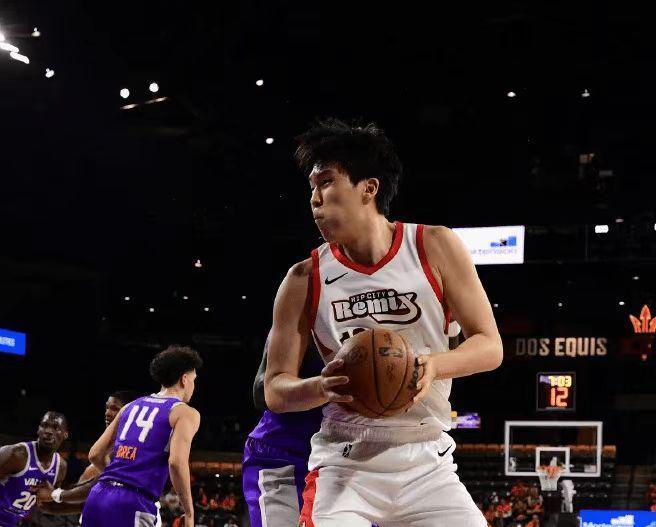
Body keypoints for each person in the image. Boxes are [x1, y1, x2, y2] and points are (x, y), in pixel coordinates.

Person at [264, 118, 503, 526]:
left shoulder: (433, 245)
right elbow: (275, 389)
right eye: (311, 189)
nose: (315, 199)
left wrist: (432, 365)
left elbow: (490, 345)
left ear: (368, 188)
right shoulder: (303, 278)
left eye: (326, 182)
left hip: (426, 458)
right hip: (345, 460)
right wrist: (321, 386)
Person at [79, 345, 202, 527]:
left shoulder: (129, 406)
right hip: (133, 502)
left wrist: (117, 479)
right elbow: (176, 462)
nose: (193, 385)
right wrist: (189, 512)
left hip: (98, 496)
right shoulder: (185, 413)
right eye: (193, 379)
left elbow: (95, 454)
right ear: (184, 379)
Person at [243, 333, 323, 527]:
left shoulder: (388, 331)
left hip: (347, 455)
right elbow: (261, 392)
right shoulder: (304, 320)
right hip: (284, 452)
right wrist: (323, 386)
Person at [36, 391, 137, 514]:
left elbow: (95, 462)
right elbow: (83, 503)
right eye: (107, 407)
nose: (107, 413)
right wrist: (50, 504)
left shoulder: (130, 447)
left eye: (115, 408)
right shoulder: (108, 450)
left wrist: (55, 495)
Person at [0, 411, 69, 527]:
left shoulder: (61, 467)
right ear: (38, 430)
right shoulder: (16, 454)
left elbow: (45, 505)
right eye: (44, 425)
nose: (48, 431)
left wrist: (52, 495)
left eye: (55, 427)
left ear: (65, 434)